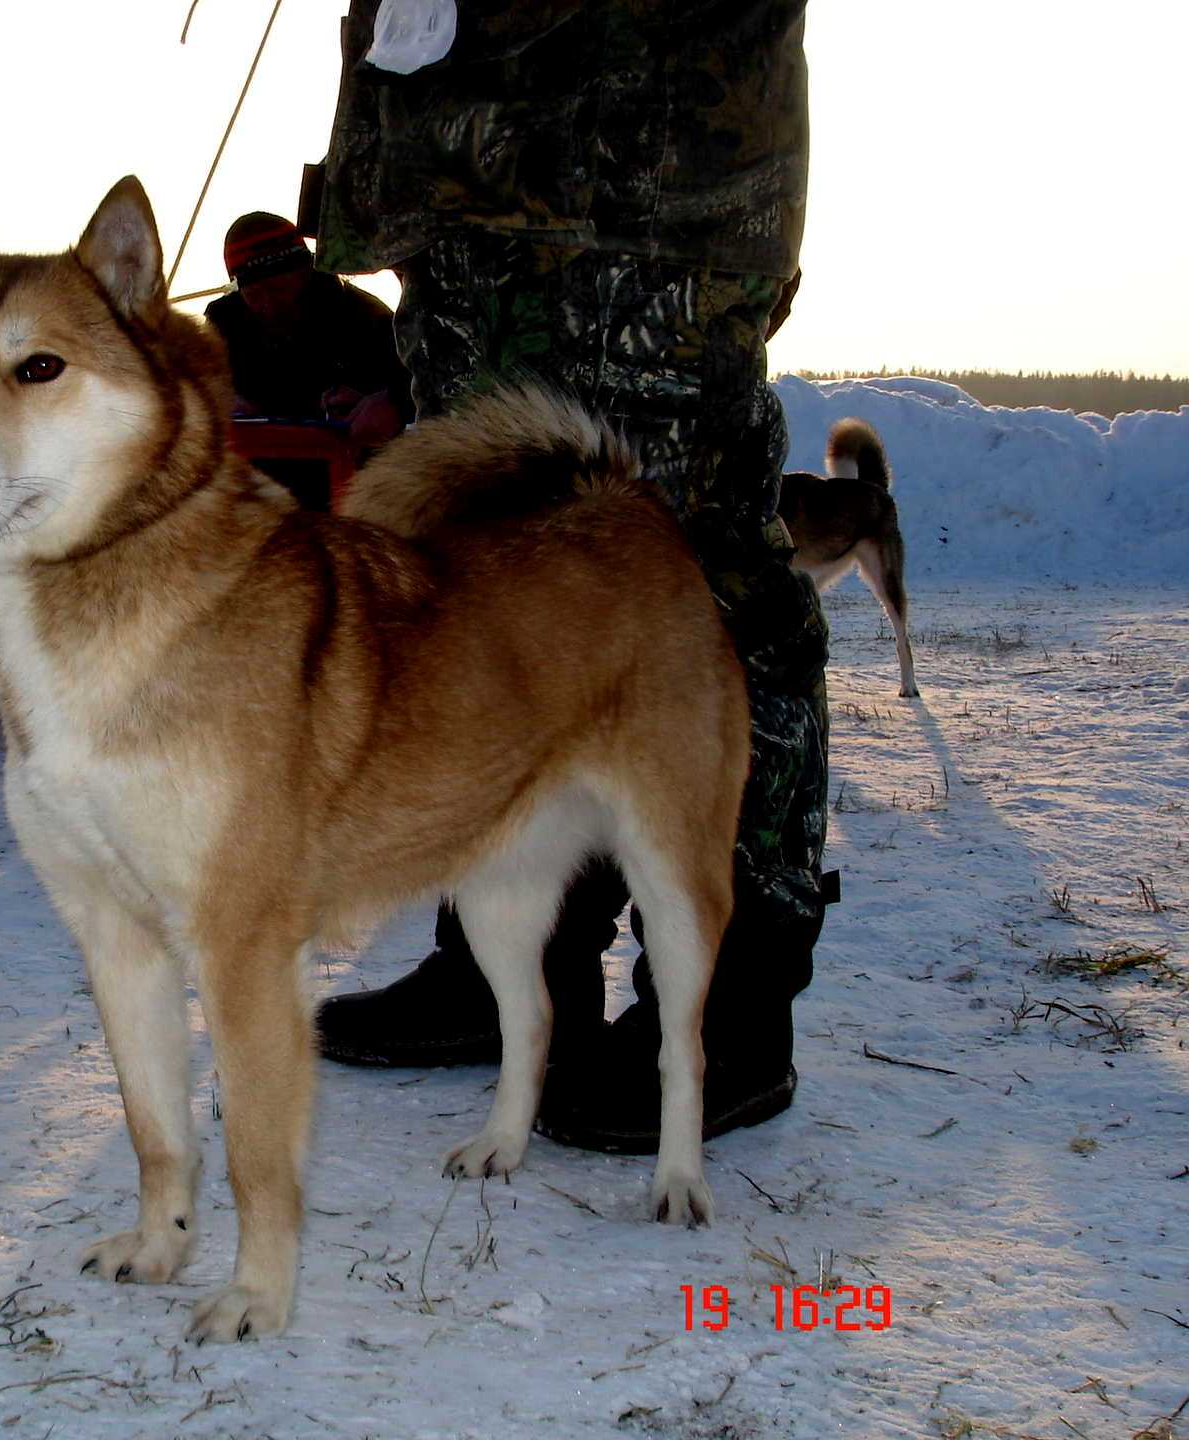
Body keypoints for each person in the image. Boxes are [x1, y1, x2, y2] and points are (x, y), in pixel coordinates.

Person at [307, 0, 837, 1152]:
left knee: (697, 589)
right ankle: (502, 964)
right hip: (461, 188)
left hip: (642, 178)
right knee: (482, 586)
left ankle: (729, 1006)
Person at [204, 212, 413, 505]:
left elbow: (415, 392)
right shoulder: (225, 322)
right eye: (254, 294)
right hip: (261, 489)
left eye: (278, 289)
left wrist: (381, 400)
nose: (268, 304)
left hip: (352, 489)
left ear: (304, 271)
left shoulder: (365, 318)